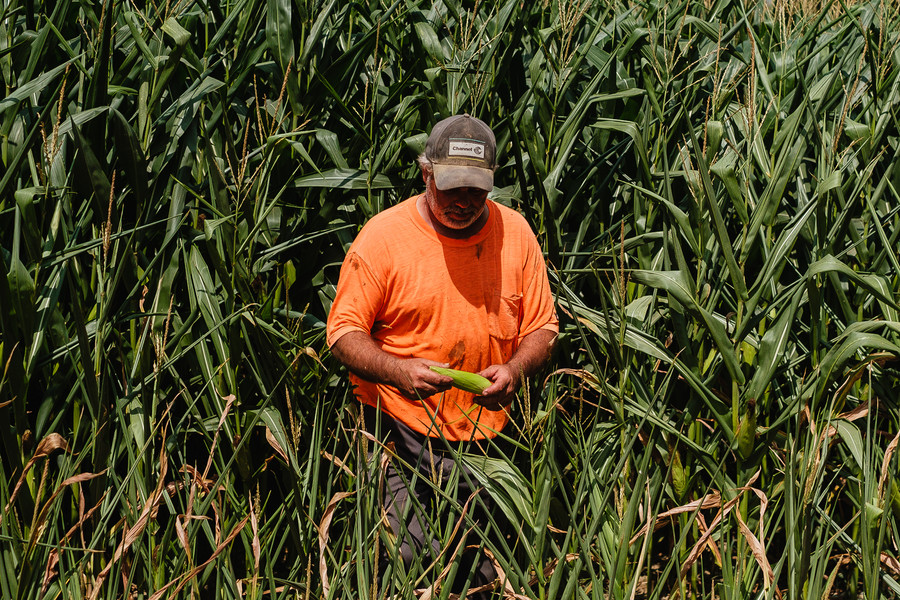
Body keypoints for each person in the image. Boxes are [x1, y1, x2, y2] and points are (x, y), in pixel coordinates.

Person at [326, 114, 558, 596]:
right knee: (408, 561)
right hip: (396, 427)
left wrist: (515, 368)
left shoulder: (515, 234)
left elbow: (543, 328)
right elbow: (343, 333)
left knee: (480, 572)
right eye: (452, 188)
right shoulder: (385, 237)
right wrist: (396, 371)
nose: (464, 203)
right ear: (425, 172)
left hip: (487, 437)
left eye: (477, 191)